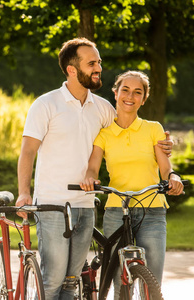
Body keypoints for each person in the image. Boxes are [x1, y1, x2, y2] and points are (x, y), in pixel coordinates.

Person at [15, 38, 173, 299]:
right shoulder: (46, 104)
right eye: (92, 63)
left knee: (71, 281)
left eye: (99, 61)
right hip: (53, 205)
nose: (98, 67)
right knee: (53, 280)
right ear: (72, 70)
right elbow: (28, 151)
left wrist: (163, 145)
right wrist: (23, 192)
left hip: (86, 205)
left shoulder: (102, 108)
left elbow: (127, 129)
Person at [80, 70, 184, 298]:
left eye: (137, 92)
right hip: (117, 209)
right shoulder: (104, 134)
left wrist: (173, 178)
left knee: (152, 280)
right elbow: (92, 167)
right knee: (119, 281)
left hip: (152, 209)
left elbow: (165, 167)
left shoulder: (153, 129)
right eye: (125, 90)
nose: (130, 96)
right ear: (115, 94)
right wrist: (90, 178)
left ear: (144, 99)